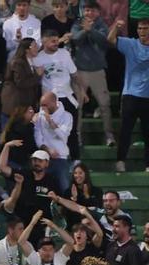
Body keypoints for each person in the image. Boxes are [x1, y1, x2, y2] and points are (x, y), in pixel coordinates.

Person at [70, 1, 115, 148]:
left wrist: (90, 30)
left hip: (97, 70)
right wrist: (85, 30)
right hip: (80, 71)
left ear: (98, 12)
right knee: (78, 106)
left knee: (104, 104)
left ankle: (109, 136)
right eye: (87, 10)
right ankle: (77, 138)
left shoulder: (102, 25)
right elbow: (75, 40)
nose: (89, 13)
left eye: (92, 11)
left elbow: (105, 42)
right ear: (83, 11)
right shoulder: (78, 24)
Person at [108, 19, 149, 173]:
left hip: (147, 97)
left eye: (145, 28)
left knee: (147, 132)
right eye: (140, 28)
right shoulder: (130, 44)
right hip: (130, 94)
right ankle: (120, 161)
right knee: (125, 130)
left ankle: (148, 165)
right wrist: (115, 27)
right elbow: (110, 40)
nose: (142, 31)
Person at [33, 32, 81, 161]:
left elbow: (74, 74)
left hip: (66, 96)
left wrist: (82, 92)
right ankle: (46, 158)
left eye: (56, 40)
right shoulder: (38, 58)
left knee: (71, 132)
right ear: (44, 42)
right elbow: (35, 80)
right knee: (45, 130)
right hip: (48, 99)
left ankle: (75, 160)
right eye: (52, 41)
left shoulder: (64, 54)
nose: (56, 43)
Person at [0, 38, 43, 118]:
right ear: (27, 49)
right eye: (34, 46)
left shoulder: (29, 62)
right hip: (15, 104)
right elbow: (21, 82)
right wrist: (37, 75)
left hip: (24, 103)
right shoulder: (18, 63)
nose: (37, 48)